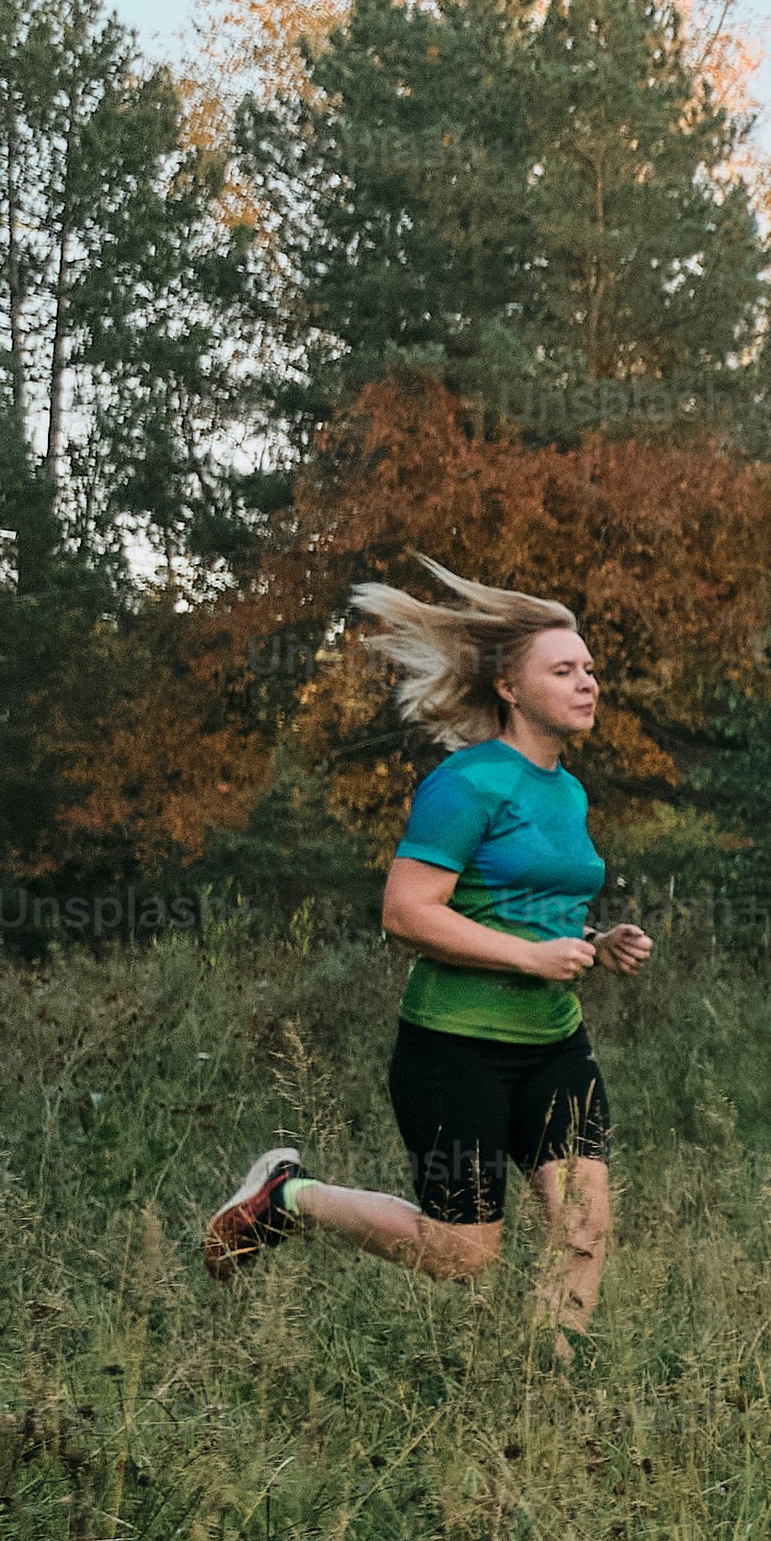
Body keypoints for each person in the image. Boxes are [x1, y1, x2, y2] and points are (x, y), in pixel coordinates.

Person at [203, 565, 656, 1341]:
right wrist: (529, 960)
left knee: (584, 1228)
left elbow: (519, 913)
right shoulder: (466, 783)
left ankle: (552, 1394)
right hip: (455, 1052)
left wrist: (593, 943)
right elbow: (407, 914)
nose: (588, 683)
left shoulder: (568, 790)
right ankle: (288, 1198)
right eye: (564, 670)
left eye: (588, 669)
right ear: (511, 688)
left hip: (554, 1045)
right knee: (462, 1254)